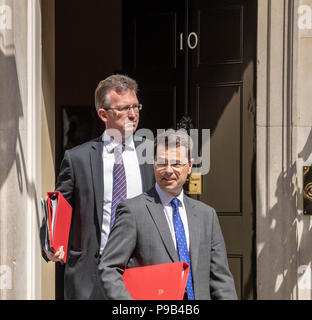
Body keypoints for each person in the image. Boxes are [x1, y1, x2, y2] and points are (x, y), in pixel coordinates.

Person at [41, 74, 155, 299]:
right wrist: (51, 243)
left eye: (135, 106)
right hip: (90, 275)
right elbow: (59, 207)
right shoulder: (78, 159)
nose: (133, 114)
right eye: (123, 109)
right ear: (103, 114)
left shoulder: (152, 155)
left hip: (140, 270)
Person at [98, 129, 237, 300]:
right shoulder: (133, 211)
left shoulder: (206, 215)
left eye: (177, 164)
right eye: (162, 163)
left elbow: (221, 279)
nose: (168, 170)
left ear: (190, 166)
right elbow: (109, 268)